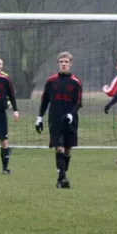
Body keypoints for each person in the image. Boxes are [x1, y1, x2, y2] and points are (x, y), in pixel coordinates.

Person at [35, 52, 82, 188]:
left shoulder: (75, 82)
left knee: (67, 150)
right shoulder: (51, 81)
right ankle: (62, 179)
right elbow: (44, 101)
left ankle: (62, 174)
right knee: (59, 148)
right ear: (58, 64)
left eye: (66, 62)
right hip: (55, 120)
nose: (63, 64)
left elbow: (78, 102)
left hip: (70, 121)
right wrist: (39, 118)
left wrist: (71, 114)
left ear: (70, 64)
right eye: (61, 62)